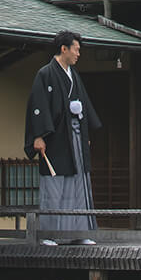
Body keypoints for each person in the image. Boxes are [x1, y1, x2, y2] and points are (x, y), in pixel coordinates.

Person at [24, 30, 102, 246]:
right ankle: (49, 235)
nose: (78, 54)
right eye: (76, 49)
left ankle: (79, 233)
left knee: (79, 182)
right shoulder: (45, 74)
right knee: (55, 184)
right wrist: (38, 136)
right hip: (56, 139)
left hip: (74, 136)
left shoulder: (73, 75)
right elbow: (37, 106)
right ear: (63, 49)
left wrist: (84, 134)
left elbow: (83, 105)